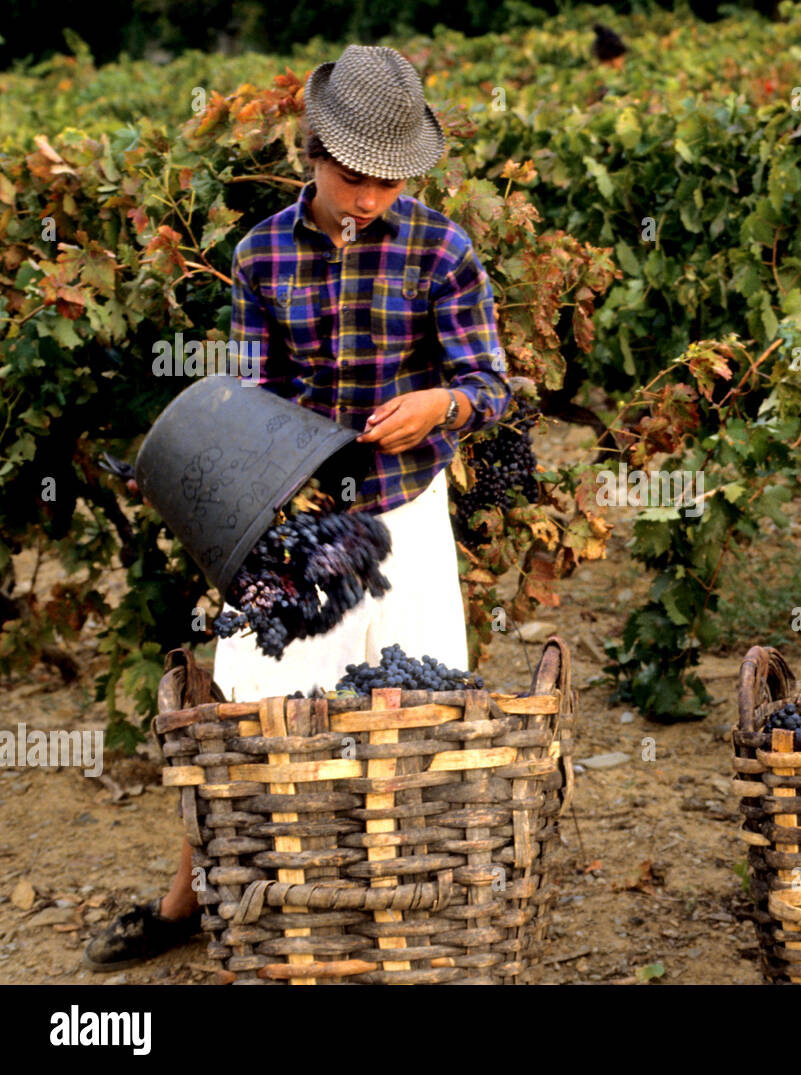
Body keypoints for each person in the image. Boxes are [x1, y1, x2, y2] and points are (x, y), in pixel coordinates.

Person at [83, 44, 511, 971]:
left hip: (404, 513)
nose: (368, 200)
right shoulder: (261, 253)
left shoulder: (442, 249)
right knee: (251, 705)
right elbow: (253, 395)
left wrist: (446, 404)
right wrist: (276, 486)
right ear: (311, 153)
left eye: (389, 184)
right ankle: (190, 898)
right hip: (303, 518)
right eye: (354, 177)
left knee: (416, 712)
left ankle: (401, 911)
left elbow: (491, 382)